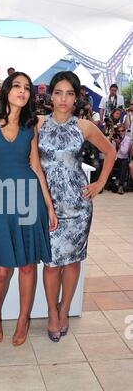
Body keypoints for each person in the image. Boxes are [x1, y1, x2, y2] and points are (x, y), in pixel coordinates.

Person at [0, 72, 57, 347]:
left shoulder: (30, 126)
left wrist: (48, 205)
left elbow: (36, 167)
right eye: (17, 86)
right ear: (6, 90)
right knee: (0, 270)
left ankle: (23, 319)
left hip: (29, 199)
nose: (22, 91)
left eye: (27, 88)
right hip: (1, 202)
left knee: (26, 266)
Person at [37, 71, 116, 341]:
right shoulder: (37, 124)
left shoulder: (84, 126)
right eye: (58, 92)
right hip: (48, 203)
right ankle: (51, 311)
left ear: (76, 97)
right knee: (50, 263)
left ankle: (65, 310)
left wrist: (101, 182)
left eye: (69, 93)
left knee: (71, 262)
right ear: (50, 96)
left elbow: (111, 151)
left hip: (78, 205)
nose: (63, 98)